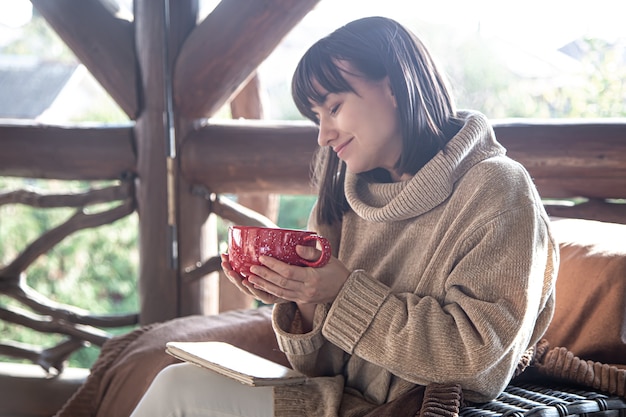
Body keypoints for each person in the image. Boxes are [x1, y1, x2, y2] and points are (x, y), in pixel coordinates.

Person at [130, 15, 557, 417]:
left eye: (333, 107)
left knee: (178, 393)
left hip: (405, 411)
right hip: (335, 401)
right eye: (317, 116)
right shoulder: (343, 197)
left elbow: (476, 360)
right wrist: (303, 296)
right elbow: (317, 370)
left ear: (394, 86)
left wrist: (342, 292)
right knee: (177, 380)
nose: (323, 134)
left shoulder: (496, 189)